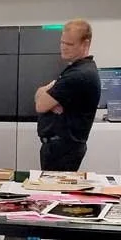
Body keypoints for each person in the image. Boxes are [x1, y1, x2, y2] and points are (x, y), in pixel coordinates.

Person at [34, 19, 101, 171]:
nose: (63, 47)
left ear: (85, 44)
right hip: (59, 148)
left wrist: (47, 93)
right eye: (62, 42)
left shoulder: (79, 75)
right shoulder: (76, 70)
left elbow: (40, 105)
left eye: (69, 44)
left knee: (55, 186)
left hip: (63, 150)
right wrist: (48, 92)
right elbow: (40, 97)